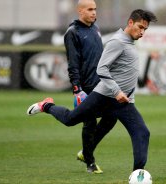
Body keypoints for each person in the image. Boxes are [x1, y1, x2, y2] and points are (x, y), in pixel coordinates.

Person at [27, 9, 157, 171]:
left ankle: (138, 175)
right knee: (70, 119)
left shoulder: (129, 43)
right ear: (130, 22)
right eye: (140, 27)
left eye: (145, 29)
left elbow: (126, 75)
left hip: (123, 103)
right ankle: (46, 106)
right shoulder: (117, 42)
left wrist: (128, 97)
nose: (142, 32)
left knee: (142, 133)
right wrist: (117, 91)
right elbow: (102, 69)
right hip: (103, 97)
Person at [65, 0, 117, 173]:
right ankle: (90, 163)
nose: (94, 13)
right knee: (90, 123)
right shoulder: (72, 32)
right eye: (90, 9)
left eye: (95, 9)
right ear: (80, 11)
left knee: (111, 117)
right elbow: (73, 63)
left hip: (102, 84)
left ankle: (85, 153)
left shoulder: (95, 28)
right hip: (86, 86)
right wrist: (77, 89)